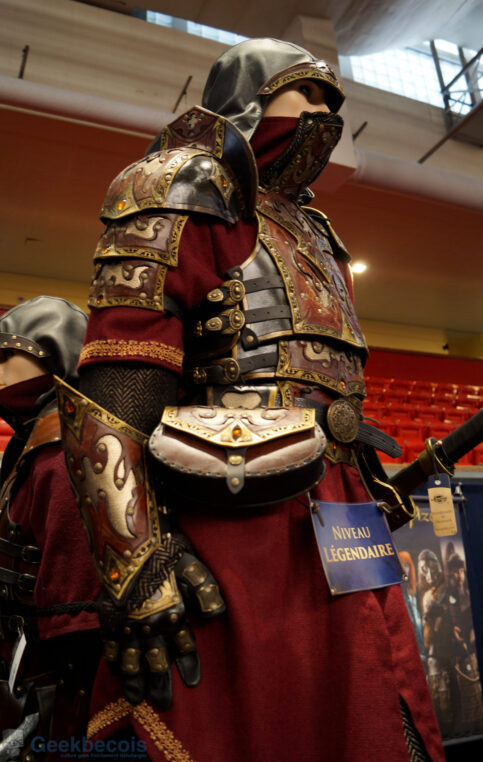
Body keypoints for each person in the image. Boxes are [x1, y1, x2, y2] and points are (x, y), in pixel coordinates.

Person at [57, 39, 445, 761]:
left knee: (370, 707)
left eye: (335, 101)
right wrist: (136, 565)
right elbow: (117, 387)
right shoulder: (177, 186)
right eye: (307, 93)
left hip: (341, 528)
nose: (324, 116)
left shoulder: (317, 232)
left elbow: (330, 387)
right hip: (231, 525)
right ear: (246, 98)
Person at [0, 297, 101, 756]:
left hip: (52, 687)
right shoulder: (33, 435)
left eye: (8, 354)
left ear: (58, 352)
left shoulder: (62, 445)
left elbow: (74, 611)